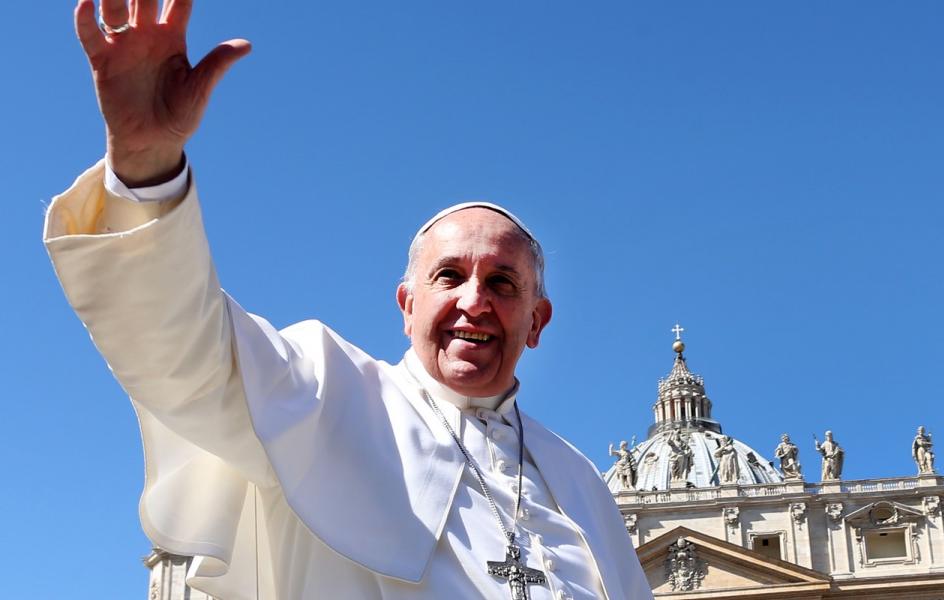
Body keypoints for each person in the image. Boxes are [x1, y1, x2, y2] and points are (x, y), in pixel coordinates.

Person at [45, 1, 652, 598]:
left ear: (538, 321)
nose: (475, 301)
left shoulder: (583, 487)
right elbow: (185, 350)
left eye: (502, 282)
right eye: (449, 276)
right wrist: (147, 168)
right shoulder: (323, 393)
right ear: (407, 305)